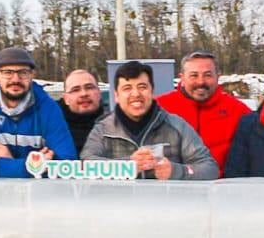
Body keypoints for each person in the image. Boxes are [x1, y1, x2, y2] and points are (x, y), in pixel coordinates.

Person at [80, 60, 218, 181]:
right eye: (127, 88)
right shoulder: (103, 129)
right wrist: (126, 167)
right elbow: (85, 165)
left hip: (168, 206)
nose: (136, 94)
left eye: (142, 87)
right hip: (119, 206)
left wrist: (176, 172)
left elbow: (209, 168)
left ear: (152, 91)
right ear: (116, 95)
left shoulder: (177, 125)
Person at [0, 47, 76, 177]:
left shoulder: (48, 107)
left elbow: (67, 164)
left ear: (32, 75)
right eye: (7, 72)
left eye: (23, 72)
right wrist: (33, 166)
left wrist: (9, 163)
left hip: (40, 192)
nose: (15, 79)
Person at [156, 50, 251, 177]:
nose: (201, 82)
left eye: (208, 75)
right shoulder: (160, 108)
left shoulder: (238, 110)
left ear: (218, 76)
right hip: (173, 187)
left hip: (222, 188)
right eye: (194, 75)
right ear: (182, 77)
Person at [59, 69, 105, 154]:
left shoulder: (115, 125)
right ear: (66, 99)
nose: (83, 94)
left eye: (89, 87)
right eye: (75, 90)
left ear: (99, 93)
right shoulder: (52, 128)